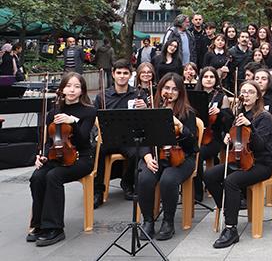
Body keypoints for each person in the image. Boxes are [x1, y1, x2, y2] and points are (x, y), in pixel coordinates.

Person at [27, 72, 97, 247]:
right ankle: (39, 224)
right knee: (37, 176)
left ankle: (55, 228)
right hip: (56, 156)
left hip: (81, 158)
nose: (72, 90)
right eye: (68, 86)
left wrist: (72, 122)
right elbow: (48, 141)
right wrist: (41, 155)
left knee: (54, 176)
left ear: (82, 90)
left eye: (76, 86)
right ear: (62, 89)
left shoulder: (89, 111)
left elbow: (83, 140)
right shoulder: (53, 112)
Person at [205, 80, 272, 249]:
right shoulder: (239, 114)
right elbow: (238, 139)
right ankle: (229, 208)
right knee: (209, 175)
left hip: (261, 164)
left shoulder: (264, 117)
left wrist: (251, 126)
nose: (246, 95)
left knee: (231, 181)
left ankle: (231, 229)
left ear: (258, 96)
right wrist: (228, 138)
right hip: (240, 160)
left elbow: (262, 146)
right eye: (243, 92)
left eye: (251, 92)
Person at [136, 73, 198, 241]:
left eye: (174, 89)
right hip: (156, 155)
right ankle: (148, 220)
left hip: (181, 159)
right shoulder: (152, 111)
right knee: (145, 178)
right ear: (160, 90)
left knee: (168, 180)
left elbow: (193, 145)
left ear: (180, 92)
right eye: (166, 88)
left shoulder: (187, 113)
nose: (169, 92)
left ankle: (168, 222)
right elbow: (142, 139)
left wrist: (180, 126)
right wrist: (147, 156)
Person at [93, 60, 148, 206]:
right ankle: (97, 190)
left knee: (138, 151)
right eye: (119, 73)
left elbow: (144, 121)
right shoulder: (102, 96)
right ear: (113, 74)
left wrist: (144, 108)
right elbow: (95, 118)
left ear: (130, 75)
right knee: (96, 150)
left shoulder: (138, 94)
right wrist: (99, 131)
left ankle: (127, 183)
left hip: (128, 138)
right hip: (108, 137)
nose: (122, 76)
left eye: (125, 73)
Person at [194, 66, 234, 202]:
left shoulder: (222, 97)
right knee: (192, 151)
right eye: (206, 77)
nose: (209, 79)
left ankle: (197, 192)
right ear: (201, 79)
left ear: (216, 79)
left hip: (214, 137)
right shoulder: (194, 95)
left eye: (211, 77)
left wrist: (220, 113)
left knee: (197, 154)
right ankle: (193, 187)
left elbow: (229, 122)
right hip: (195, 136)